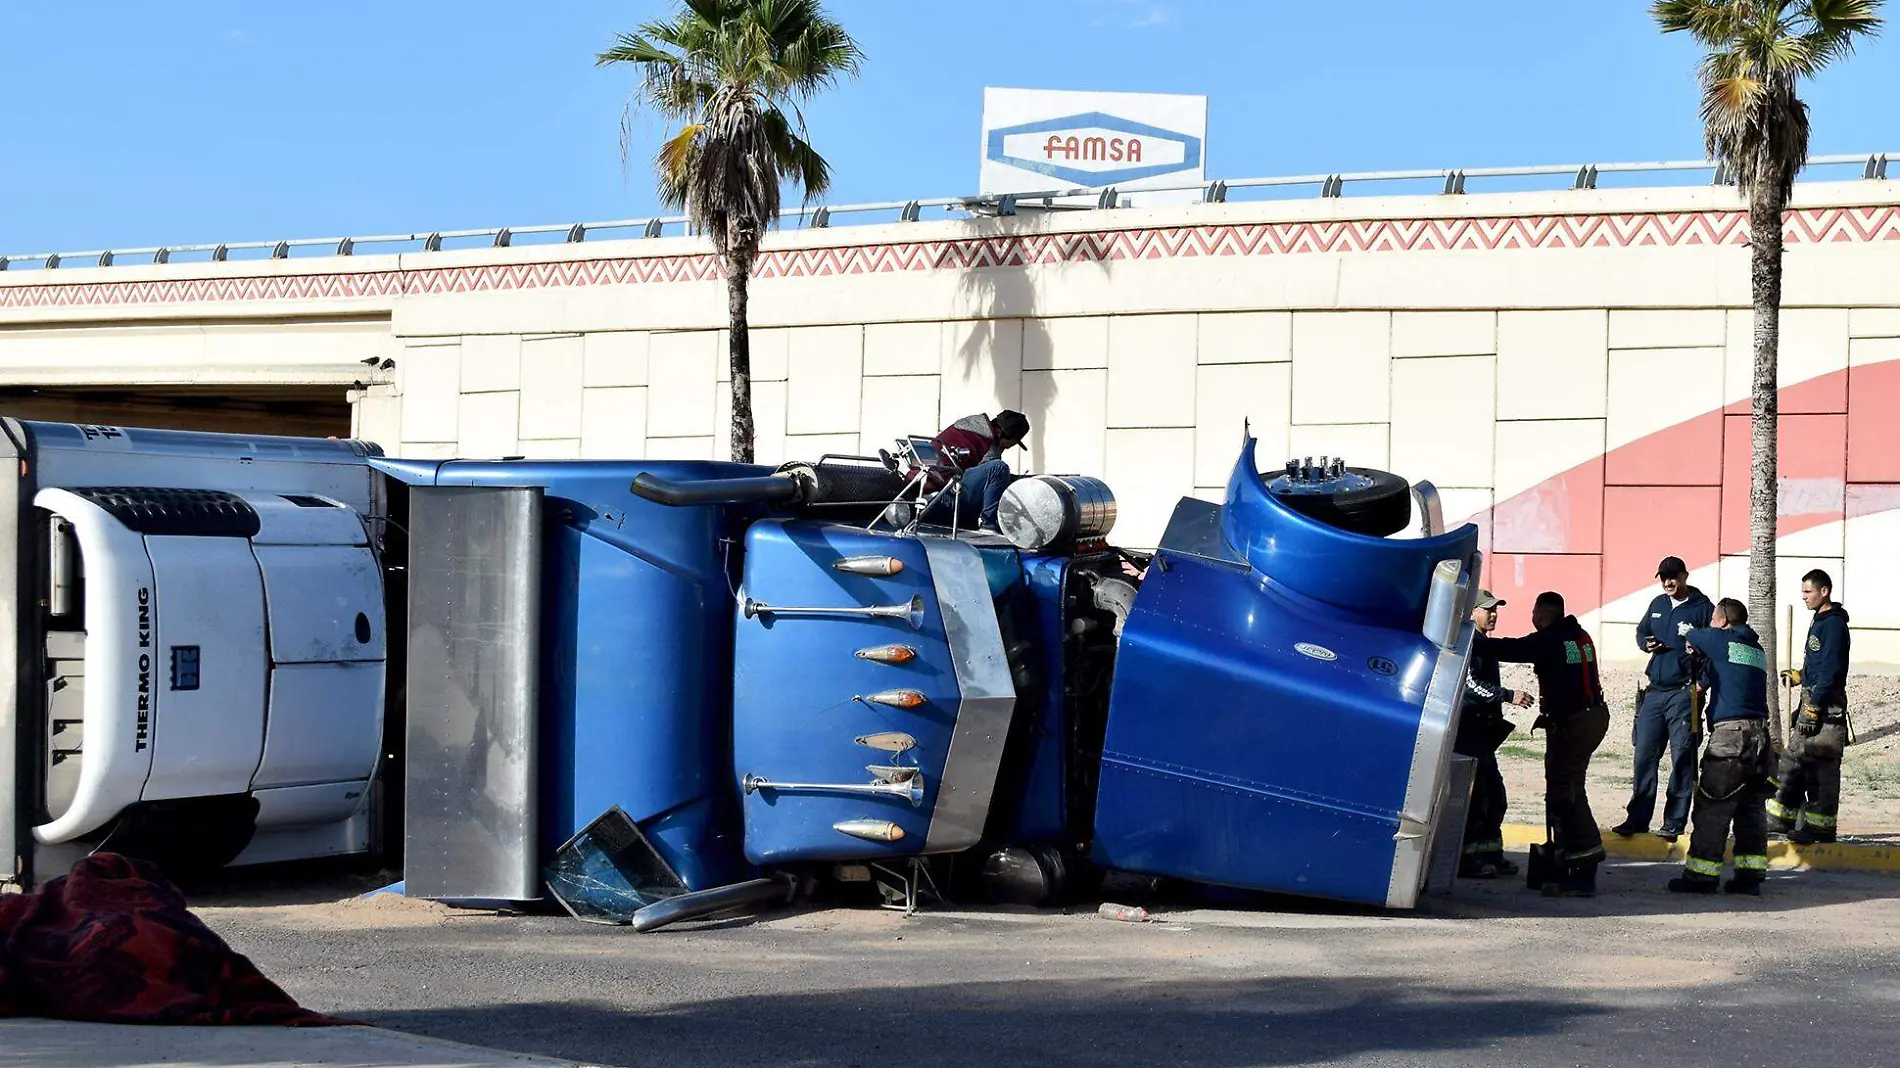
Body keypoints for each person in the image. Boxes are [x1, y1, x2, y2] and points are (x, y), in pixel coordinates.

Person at [1477, 591, 1611, 897]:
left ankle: (1584, 858)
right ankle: (1567, 857)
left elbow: (1513, 649)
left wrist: (1472, 643)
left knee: (1565, 791)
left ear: (1542, 613)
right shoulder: (1578, 635)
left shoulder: (1551, 640)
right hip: (1589, 716)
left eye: (1535, 612)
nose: (1533, 618)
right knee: (1568, 785)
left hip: (1574, 722)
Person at [1669, 597, 1776, 895]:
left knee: (1714, 806)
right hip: (1759, 738)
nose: (1712, 626)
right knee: (1750, 808)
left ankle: (1701, 876)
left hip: (1732, 737)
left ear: (1724, 621)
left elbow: (1687, 631)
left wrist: (1694, 637)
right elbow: (1726, 672)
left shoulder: (1721, 639)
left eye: (1714, 621)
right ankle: (1750, 876)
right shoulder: (1754, 649)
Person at [1613, 557, 1713, 843]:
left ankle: (1674, 822)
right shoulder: (1657, 604)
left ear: (1685, 575)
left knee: (1682, 757)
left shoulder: (1703, 609)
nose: (1668, 583)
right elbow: (1641, 631)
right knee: (1644, 756)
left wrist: (1701, 686)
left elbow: (1715, 650)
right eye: (1663, 578)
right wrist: (1646, 643)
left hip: (1684, 693)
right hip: (1654, 693)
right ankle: (1637, 818)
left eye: (1673, 577)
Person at [1767, 569, 1853, 845]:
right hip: (1810, 697)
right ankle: (1780, 818)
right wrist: (1799, 676)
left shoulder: (1834, 625)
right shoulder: (1820, 619)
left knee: (1821, 768)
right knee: (1793, 761)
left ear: (1824, 591)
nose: (1803, 597)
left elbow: (1831, 670)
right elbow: (1816, 666)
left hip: (1827, 706)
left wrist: (1815, 706)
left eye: (1808, 592)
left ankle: (1820, 828)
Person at [1455, 591, 1534, 878]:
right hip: (1469, 732)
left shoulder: (1483, 643)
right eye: (1487, 610)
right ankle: (1467, 860)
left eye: (1496, 609)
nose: (1494, 614)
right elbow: (1470, 685)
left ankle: (1491, 853)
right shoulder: (1467, 644)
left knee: (1495, 796)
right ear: (1472, 611)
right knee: (1477, 798)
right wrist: (1507, 695)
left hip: (1484, 734)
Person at [926, 410, 1031, 529]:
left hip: (928, 491)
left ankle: (971, 525)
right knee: (999, 468)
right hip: (942, 497)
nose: (1009, 447)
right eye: (1012, 442)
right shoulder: (986, 441)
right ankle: (989, 526)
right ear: (1001, 434)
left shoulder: (971, 426)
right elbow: (990, 479)